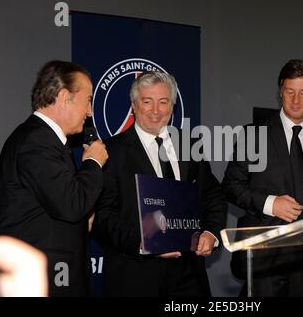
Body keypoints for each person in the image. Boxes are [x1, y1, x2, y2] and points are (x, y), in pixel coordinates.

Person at [92, 71, 227, 296]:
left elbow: (212, 195)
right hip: (135, 278)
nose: (156, 110)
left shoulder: (190, 145)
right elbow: (102, 216)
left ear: (172, 105)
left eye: (163, 102)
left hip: (189, 278)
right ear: (134, 105)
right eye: (147, 101)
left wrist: (212, 233)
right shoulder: (110, 152)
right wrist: (146, 243)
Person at [222, 59, 303, 296]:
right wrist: (270, 203)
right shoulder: (254, 135)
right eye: (290, 92)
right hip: (266, 252)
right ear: (280, 93)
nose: (296, 100)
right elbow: (231, 186)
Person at [0, 60, 108, 296]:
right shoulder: (37, 140)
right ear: (65, 97)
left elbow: (60, 204)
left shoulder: (47, 141)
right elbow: (71, 204)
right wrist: (94, 162)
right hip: (43, 281)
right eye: (88, 100)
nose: (89, 112)